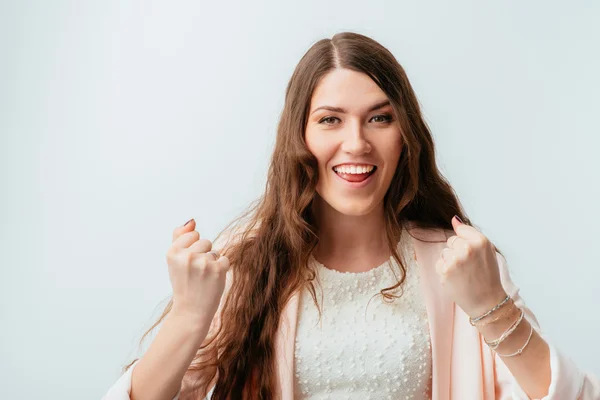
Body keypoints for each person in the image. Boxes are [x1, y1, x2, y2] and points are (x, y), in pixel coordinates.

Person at [103, 32, 600, 400]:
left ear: (406, 137)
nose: (357, 143)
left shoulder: (461, 263)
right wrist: (190, 315)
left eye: (380, 118)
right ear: (299, 137)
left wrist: (494, 308)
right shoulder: (246, 264)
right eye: (330, 120)